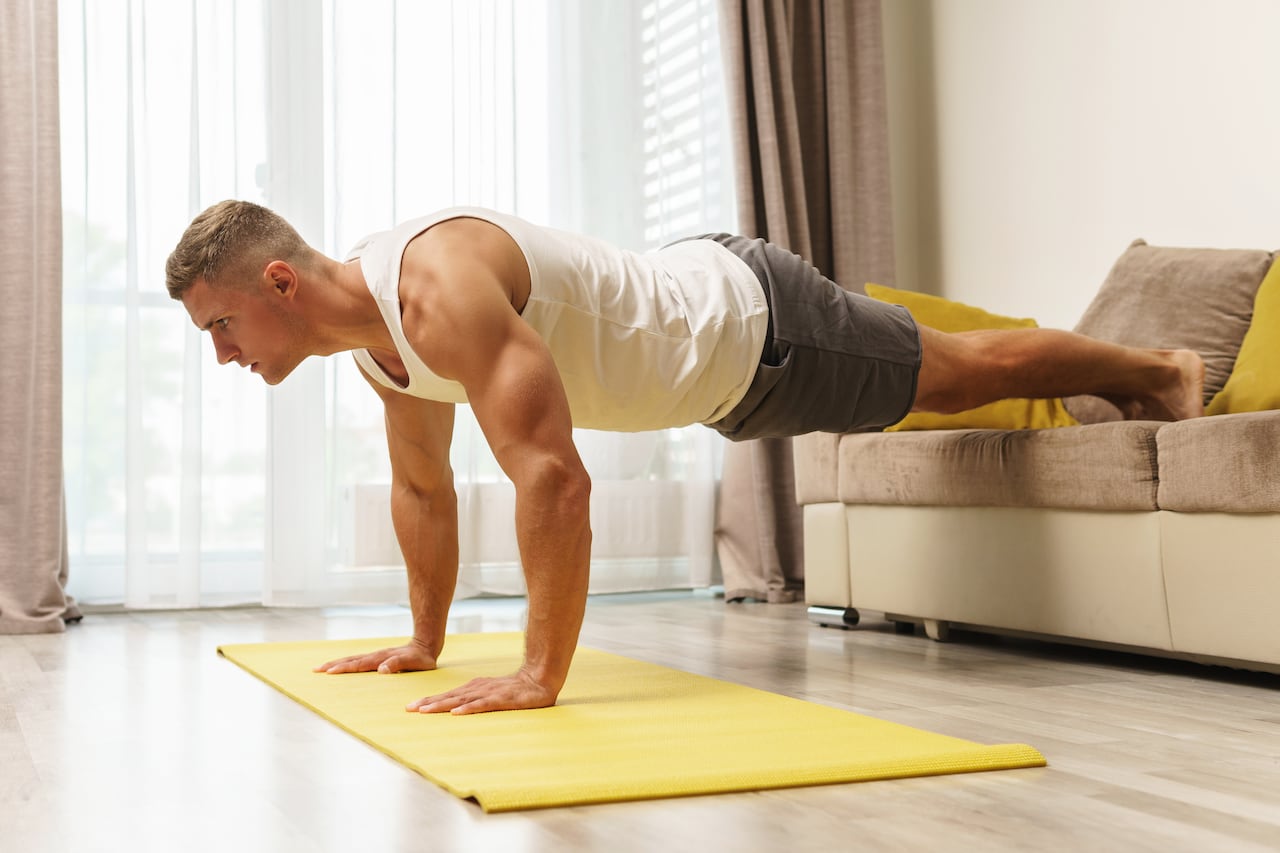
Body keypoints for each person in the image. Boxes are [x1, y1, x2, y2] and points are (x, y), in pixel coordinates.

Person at [166, 201, 1204, 715]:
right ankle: (1132, 375)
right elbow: (421, 487)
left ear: (279, 284)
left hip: (753, 328)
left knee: (951, 372)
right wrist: (425, 642)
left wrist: (539, 672)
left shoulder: (435, 284)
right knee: (944, 369)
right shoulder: (381, 358)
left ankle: (1155, 369)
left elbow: (553, 479)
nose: (222, 356)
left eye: (221, 325)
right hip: (716, 366)